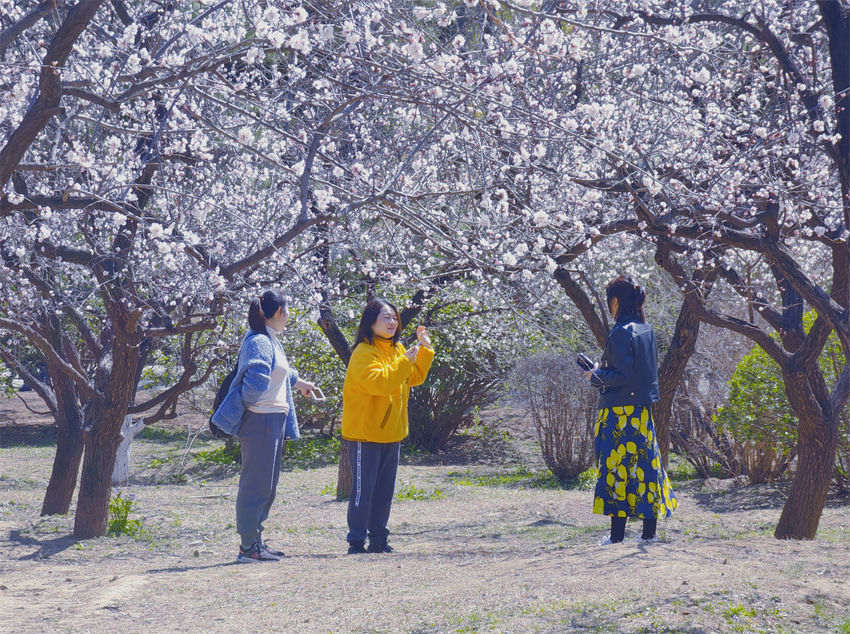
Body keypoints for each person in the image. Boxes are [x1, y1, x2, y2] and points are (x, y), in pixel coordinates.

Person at [211, 290, 318, 562]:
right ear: (279, 312)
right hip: (261, 421)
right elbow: (256, 380)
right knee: (256, 485)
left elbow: (280, 371)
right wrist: (254, 404)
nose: (289, 317)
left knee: (267, 486)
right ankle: (248, 547)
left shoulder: (269, 339)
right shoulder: (258, 340)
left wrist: (300, 383)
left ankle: (256, 541)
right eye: (287, 311)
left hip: (272, 420)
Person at [585, 275, 677, 544]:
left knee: (615, 470)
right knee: (646, 470)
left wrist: (596, 375)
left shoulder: (621, 332)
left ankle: (616, 537)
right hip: (641, 411)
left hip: (617, 412)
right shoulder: (646, 331)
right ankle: (648, 534)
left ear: (615, 301)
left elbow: (622, 375)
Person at [341, 298, 435, 554]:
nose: (392, 322)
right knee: (364, 491)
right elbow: (380, 384)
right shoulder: (363, 352)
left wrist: (424, 351)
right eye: (386, 317)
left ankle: (379, 539)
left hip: (391, 433)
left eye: (394, 318)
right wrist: (405, 361)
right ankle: (356, 541)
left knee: (384, 492)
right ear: (371, 322)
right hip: (366, 433)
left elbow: (412, 378)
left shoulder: (396, 349)